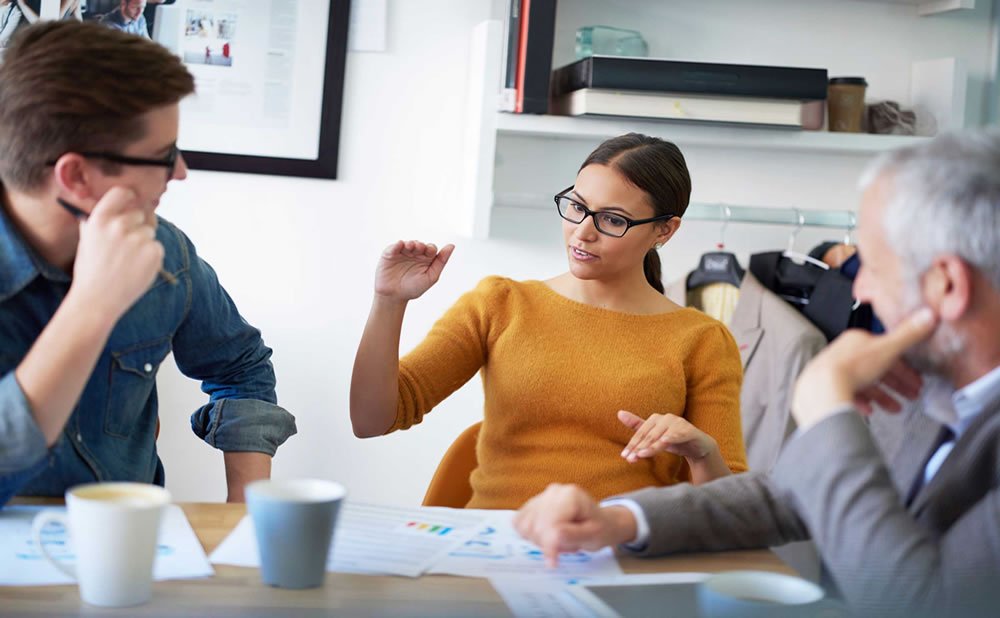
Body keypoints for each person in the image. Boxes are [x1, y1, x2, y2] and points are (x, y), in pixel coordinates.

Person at [513, 131, 1000, 617]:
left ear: (948, 285)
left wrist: (827, 409)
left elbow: (917, 603)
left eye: (870, 265)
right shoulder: (923, 388)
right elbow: (785, 495)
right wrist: (619, 520)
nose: (861, 292)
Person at [350, 133, 748, 510]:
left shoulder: (702, 340)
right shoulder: (501, 304)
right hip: (495, 543)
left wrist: (702, 451)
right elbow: (370, 421)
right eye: (577, 207)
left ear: (665, 230)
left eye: (612, 219)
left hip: (613, 549)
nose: (582, 232)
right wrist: (389, 302)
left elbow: (731, 510)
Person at [0, 20, 296, 506]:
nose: (180, 172)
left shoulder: (167, 254)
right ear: (75, 175)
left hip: (139, 550)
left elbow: (243, 366)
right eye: (163, 156)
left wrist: (244, 510)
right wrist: (92, 307)